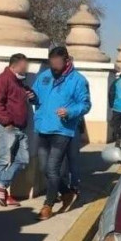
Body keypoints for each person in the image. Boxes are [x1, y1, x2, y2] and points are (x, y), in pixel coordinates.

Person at [31, 46, 91, 221]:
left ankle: (48, 205)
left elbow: (85, 104)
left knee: (52, 167)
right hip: (43, 126)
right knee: (44, 168)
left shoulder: (78, 80)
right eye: (52, 62)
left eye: (57, 62)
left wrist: (70, 111)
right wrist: (31, 97)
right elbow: (36, 95)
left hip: (63, 129)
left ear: (66, 60)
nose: (54, 66)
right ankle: (65, 192)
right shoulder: (44, 76)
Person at [0, 53, 34, 207]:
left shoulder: (20, 83)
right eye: (24, 66)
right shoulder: (0, 81)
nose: (26, 69)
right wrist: (7, 122)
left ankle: (0, 185)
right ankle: (3, 193)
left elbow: (32, 99)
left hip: (20, 128)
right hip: (6, 127)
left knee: (23, 160)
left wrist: (32, 95)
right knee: (3, 159)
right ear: (14, 65)